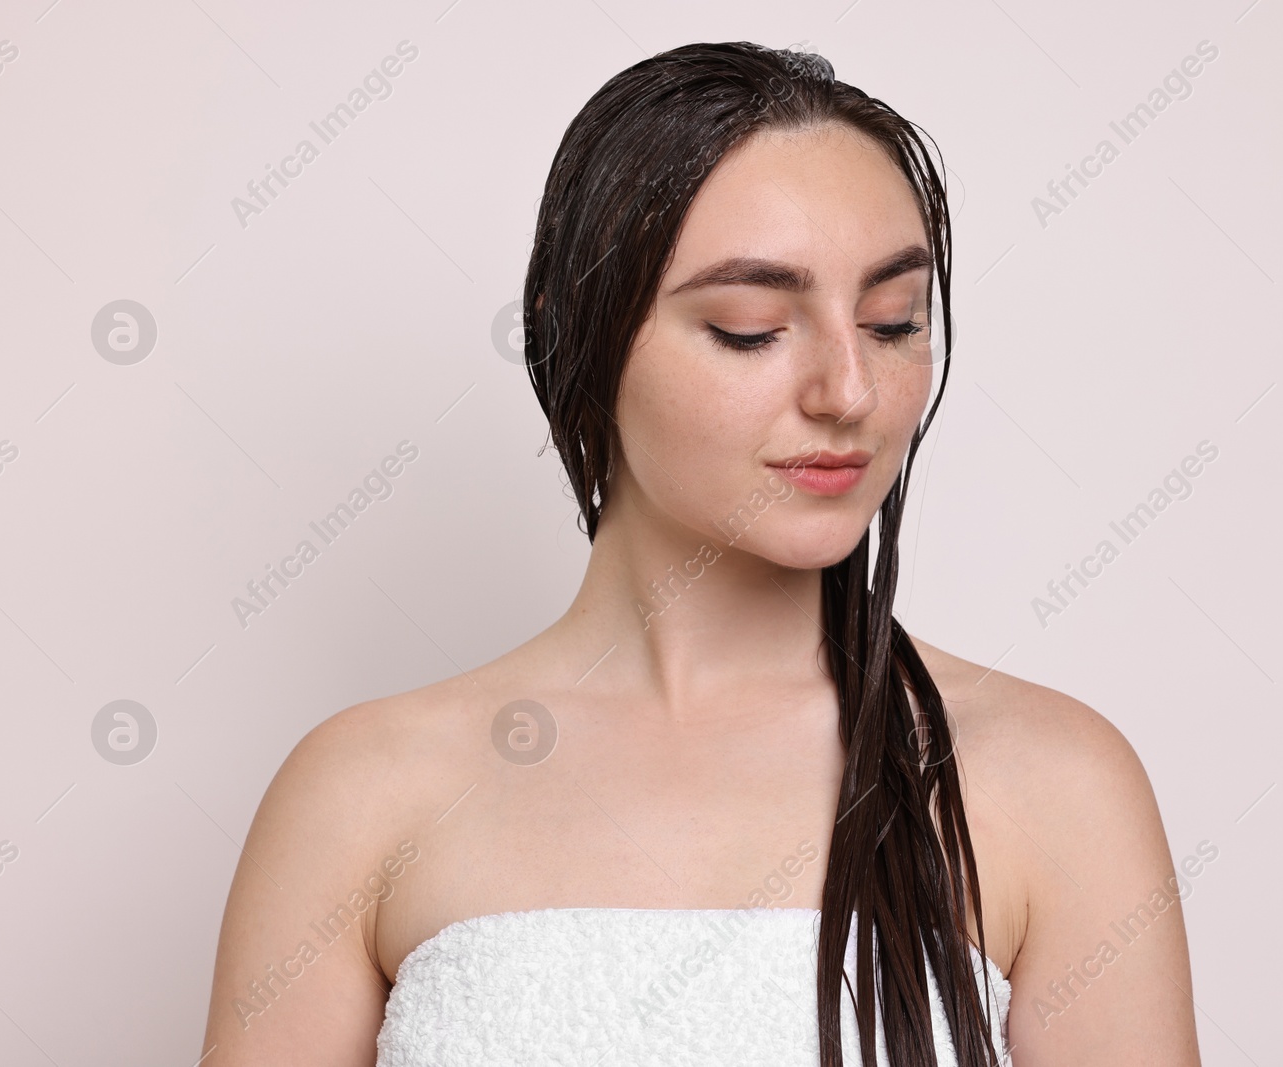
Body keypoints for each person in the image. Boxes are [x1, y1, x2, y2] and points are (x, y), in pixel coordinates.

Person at [199, 41, 1200, 1066]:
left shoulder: (1053, 784)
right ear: (577, 337)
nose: (847, 392)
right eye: (749, 327)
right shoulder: (364, 793)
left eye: (892, 321)